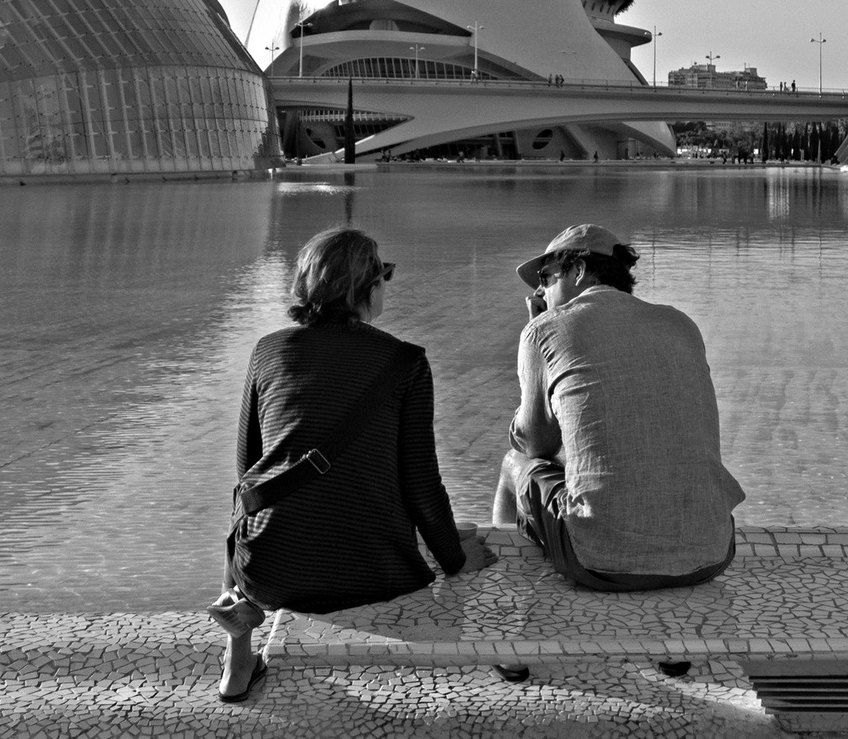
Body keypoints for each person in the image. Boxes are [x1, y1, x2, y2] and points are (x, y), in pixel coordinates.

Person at [208, 227, 494, 701]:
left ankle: (239, 648)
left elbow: (249, 471)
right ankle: (435, 543)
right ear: (366, 289)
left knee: (249, 502)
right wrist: (456, 559)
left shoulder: (267, 350)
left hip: (272, 571)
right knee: (436, 530)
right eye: (383, 274)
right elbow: (420, 483)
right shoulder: (406, 362)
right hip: (374, 572)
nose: (386, 283)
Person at [490, 225, 746, 681]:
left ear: (579, 269)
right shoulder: (679, 322)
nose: (542, 291)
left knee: (516, 469)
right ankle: (671, 639)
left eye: (546, 278)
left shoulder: (545, 330)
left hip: (601, 561)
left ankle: (508, 630)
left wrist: (535, 329)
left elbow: (535, 445)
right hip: (711, 549)